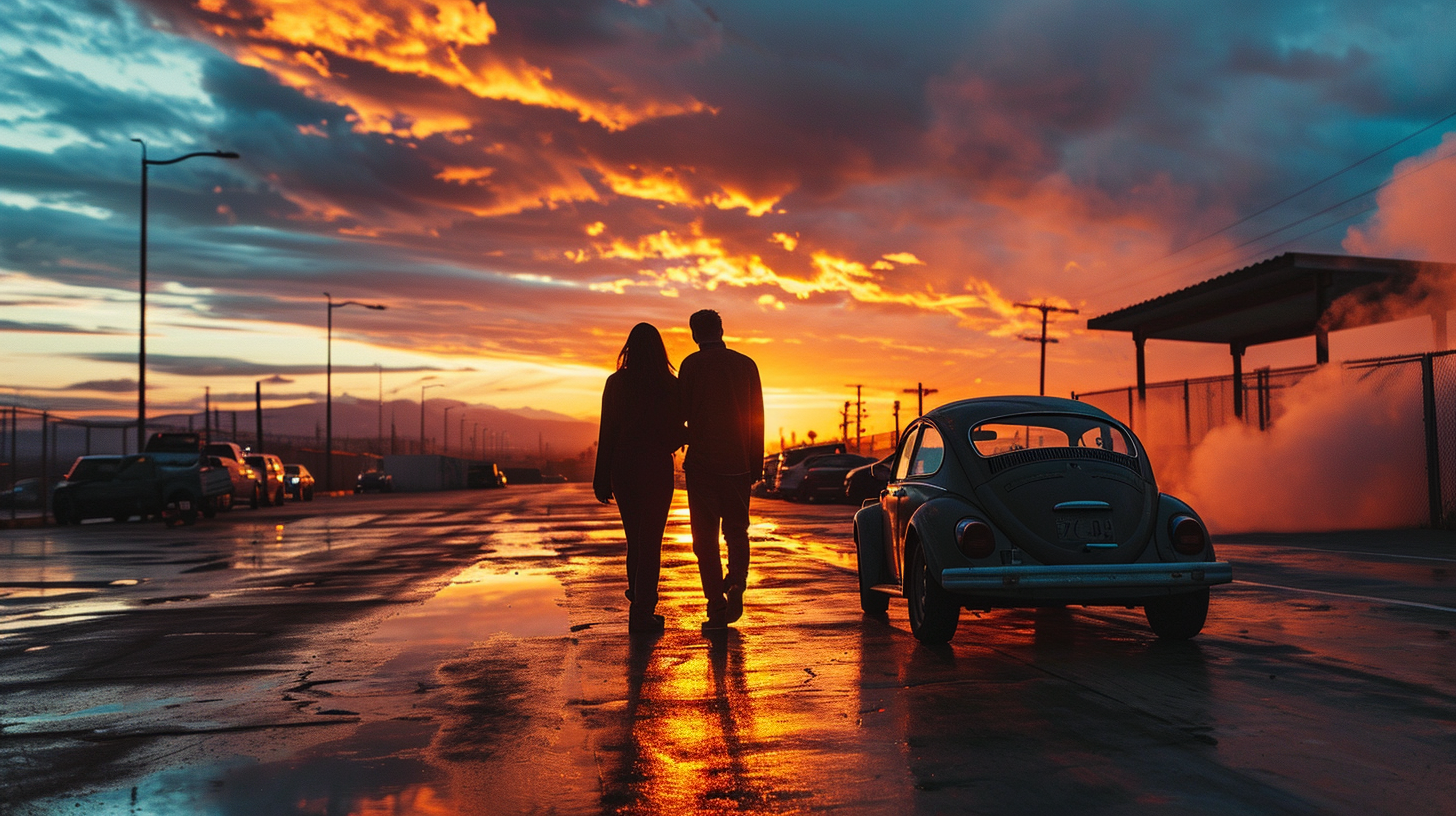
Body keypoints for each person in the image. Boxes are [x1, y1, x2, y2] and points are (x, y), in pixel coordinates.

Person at [593, 323, 685, 633]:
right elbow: (675, 433)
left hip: (624, 467)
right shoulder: (670, 385)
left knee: (635, 540)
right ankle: (643, 608)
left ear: (629, 348)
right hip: (656, 467)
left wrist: (601, 478)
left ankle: (639, 600)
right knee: (651, 542)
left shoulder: (616, 383)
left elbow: (608, 432)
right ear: (660, 350)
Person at [678, 309, 764, 629]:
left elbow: (681, 413)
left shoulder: (691, 365)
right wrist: (754, 461)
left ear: (695, 334)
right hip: (739, 464)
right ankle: (738, 581)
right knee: (737, 531)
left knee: (705, 538)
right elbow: (757, 416)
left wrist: (684, 436)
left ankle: (715, 604)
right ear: (722, 329)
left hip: (702, 465)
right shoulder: (746, 365)